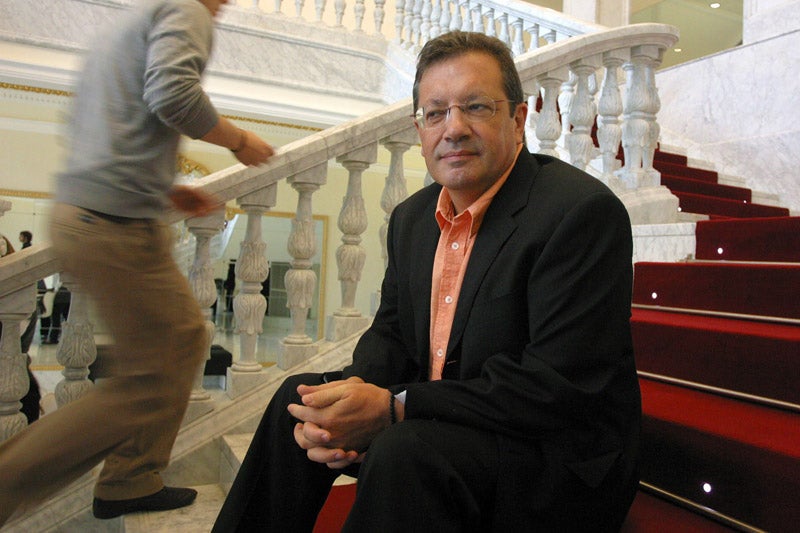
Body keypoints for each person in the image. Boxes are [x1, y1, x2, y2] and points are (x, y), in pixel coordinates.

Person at [212, 31, 640, 533]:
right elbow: (391, 335)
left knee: (403, 449)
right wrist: (354, 394)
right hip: (449, 423)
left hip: (552, 457)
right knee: (301, 402)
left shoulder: (579, 213)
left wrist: (395, 408)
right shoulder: (413, 218)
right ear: (419, 130)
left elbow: (555, 388)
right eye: (435, 113)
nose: (453, 128)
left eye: (476, 107)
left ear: (519, 120)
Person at [0, 0, 274, 525]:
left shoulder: (124, 26)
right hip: (113, 225)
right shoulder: (185, 9)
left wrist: (165, 191)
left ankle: (133, 477)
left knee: (183, 342)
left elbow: (105, 127)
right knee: (149, 376)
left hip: (97, 212)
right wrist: (239, 141)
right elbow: (172, 93)